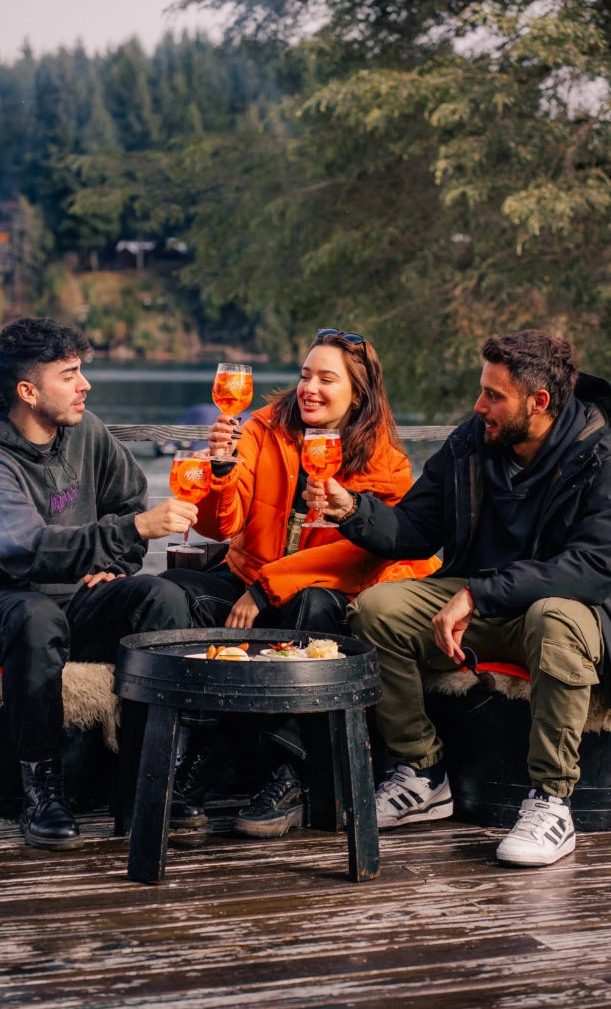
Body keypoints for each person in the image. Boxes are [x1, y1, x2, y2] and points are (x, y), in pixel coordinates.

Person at [306, 330, 611, 867]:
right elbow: (416, 528)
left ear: (539, 403)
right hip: (488, 607)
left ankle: (552, 804)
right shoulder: (473, 442)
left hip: (582, 616)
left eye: (494, 394)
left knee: (553, 616)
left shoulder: (610, 462)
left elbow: (592, 570)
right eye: (481, 389)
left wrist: (477, 593)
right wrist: (352, 508)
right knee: (378, 610)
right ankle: (421, 772)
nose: (479, 404)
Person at [162, 328, 440, 838]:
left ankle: (289, 775)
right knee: (179, 596)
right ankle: (207, 755)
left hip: (330, 593)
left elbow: (366, 554)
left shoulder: (384, 459)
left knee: (310, 608)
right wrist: (220, 471)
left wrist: (268, 587)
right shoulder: (262, 429)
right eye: (305, 374)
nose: (310, 387)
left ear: (358, 394)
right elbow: (219, 528)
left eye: (327, 378)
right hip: (253, 576)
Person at [0, 317, 202, 851]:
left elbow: (125, 502)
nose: (84, 385)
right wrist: (135, 530)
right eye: (69, 374)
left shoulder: (86, 429)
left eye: (82, 371)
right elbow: (24, 550)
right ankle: (42, 790)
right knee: (37, 615)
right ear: (28, 391)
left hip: (79, 597)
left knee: (162, 596)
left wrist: (119, 564)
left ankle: (152, 772)